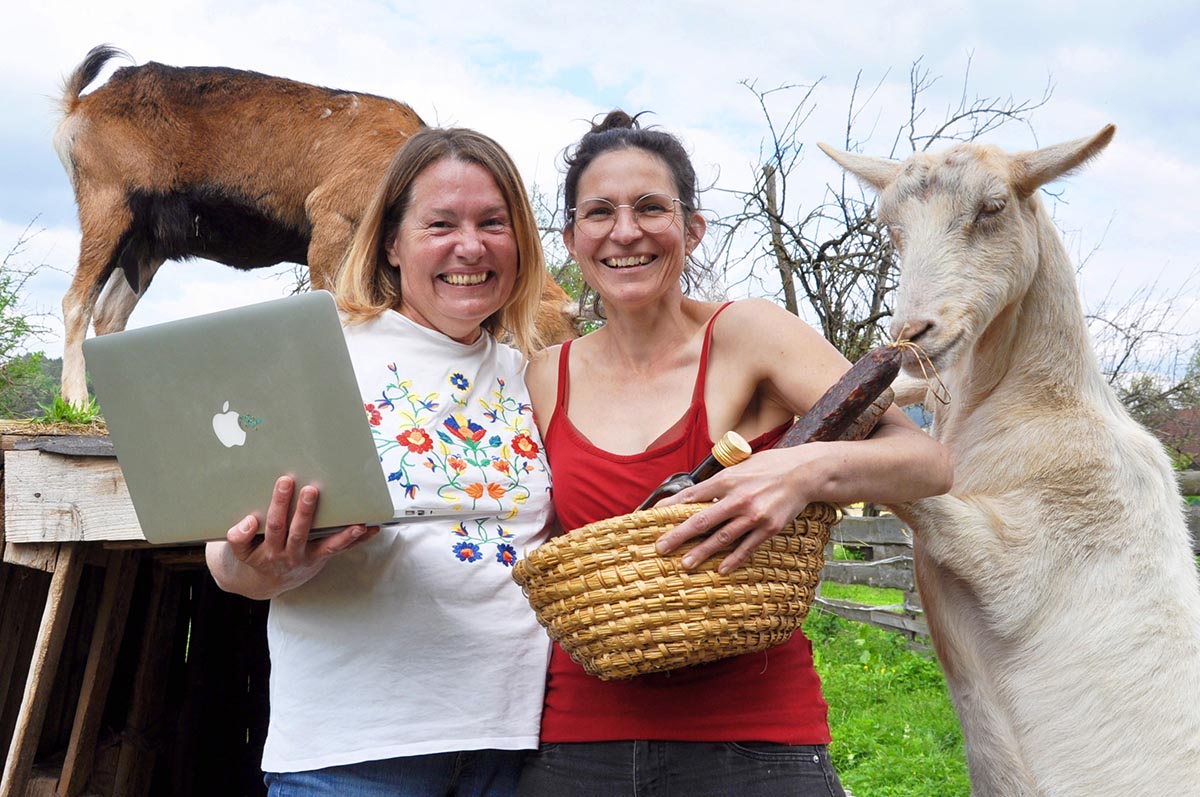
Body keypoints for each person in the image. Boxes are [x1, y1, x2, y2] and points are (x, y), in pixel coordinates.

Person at [517, 111, 954, 796]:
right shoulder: (546, 375)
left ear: (691, 229)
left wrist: (801, 469)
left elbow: (926, 461)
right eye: (599, 212)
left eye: (650, 208)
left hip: (754, 745)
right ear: (572, 239)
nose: (625, 231)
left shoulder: (747, 334)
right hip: (578, 745)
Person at [205, 127, 555, 797]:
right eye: (441, 224)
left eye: (493, 223)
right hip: (352, 756)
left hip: (515, 754)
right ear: (391, 241)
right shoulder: (316, 351)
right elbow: (226, 555)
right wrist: (254, 563)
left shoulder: (535, 377)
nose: (471, 246)